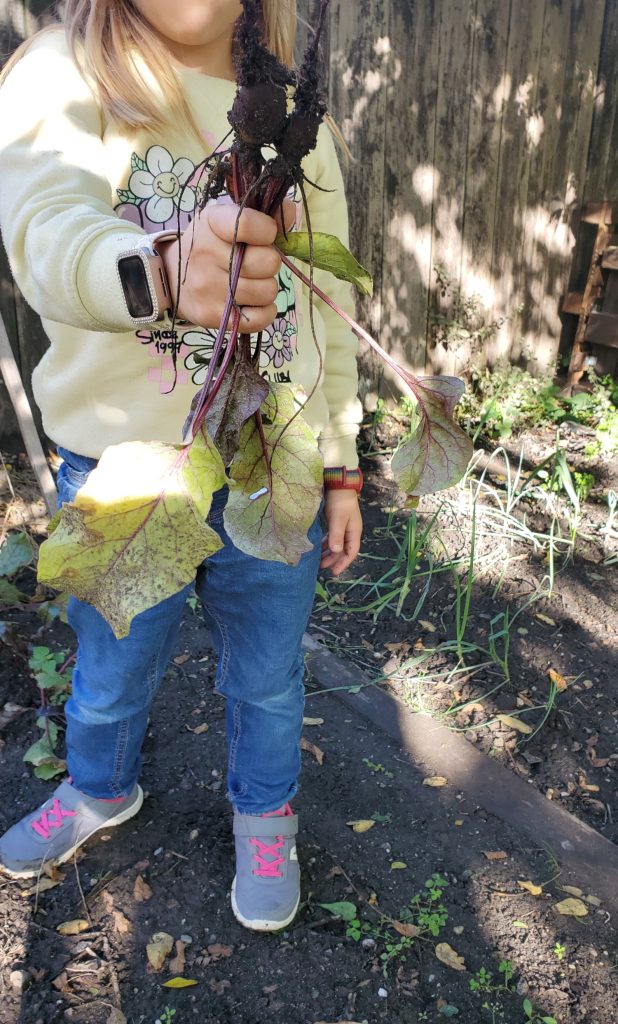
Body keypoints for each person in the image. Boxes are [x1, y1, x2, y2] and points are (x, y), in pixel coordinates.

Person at [0, 0, 363, 932]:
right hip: (127, 472)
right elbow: (47, 235)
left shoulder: (289, 114)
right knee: (112, 664)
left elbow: (324, 318)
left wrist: (341, 463)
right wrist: (160, 270)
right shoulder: (62, 75)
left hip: (266, 471)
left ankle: (264, 809)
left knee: (269, 675)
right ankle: (97, 788)